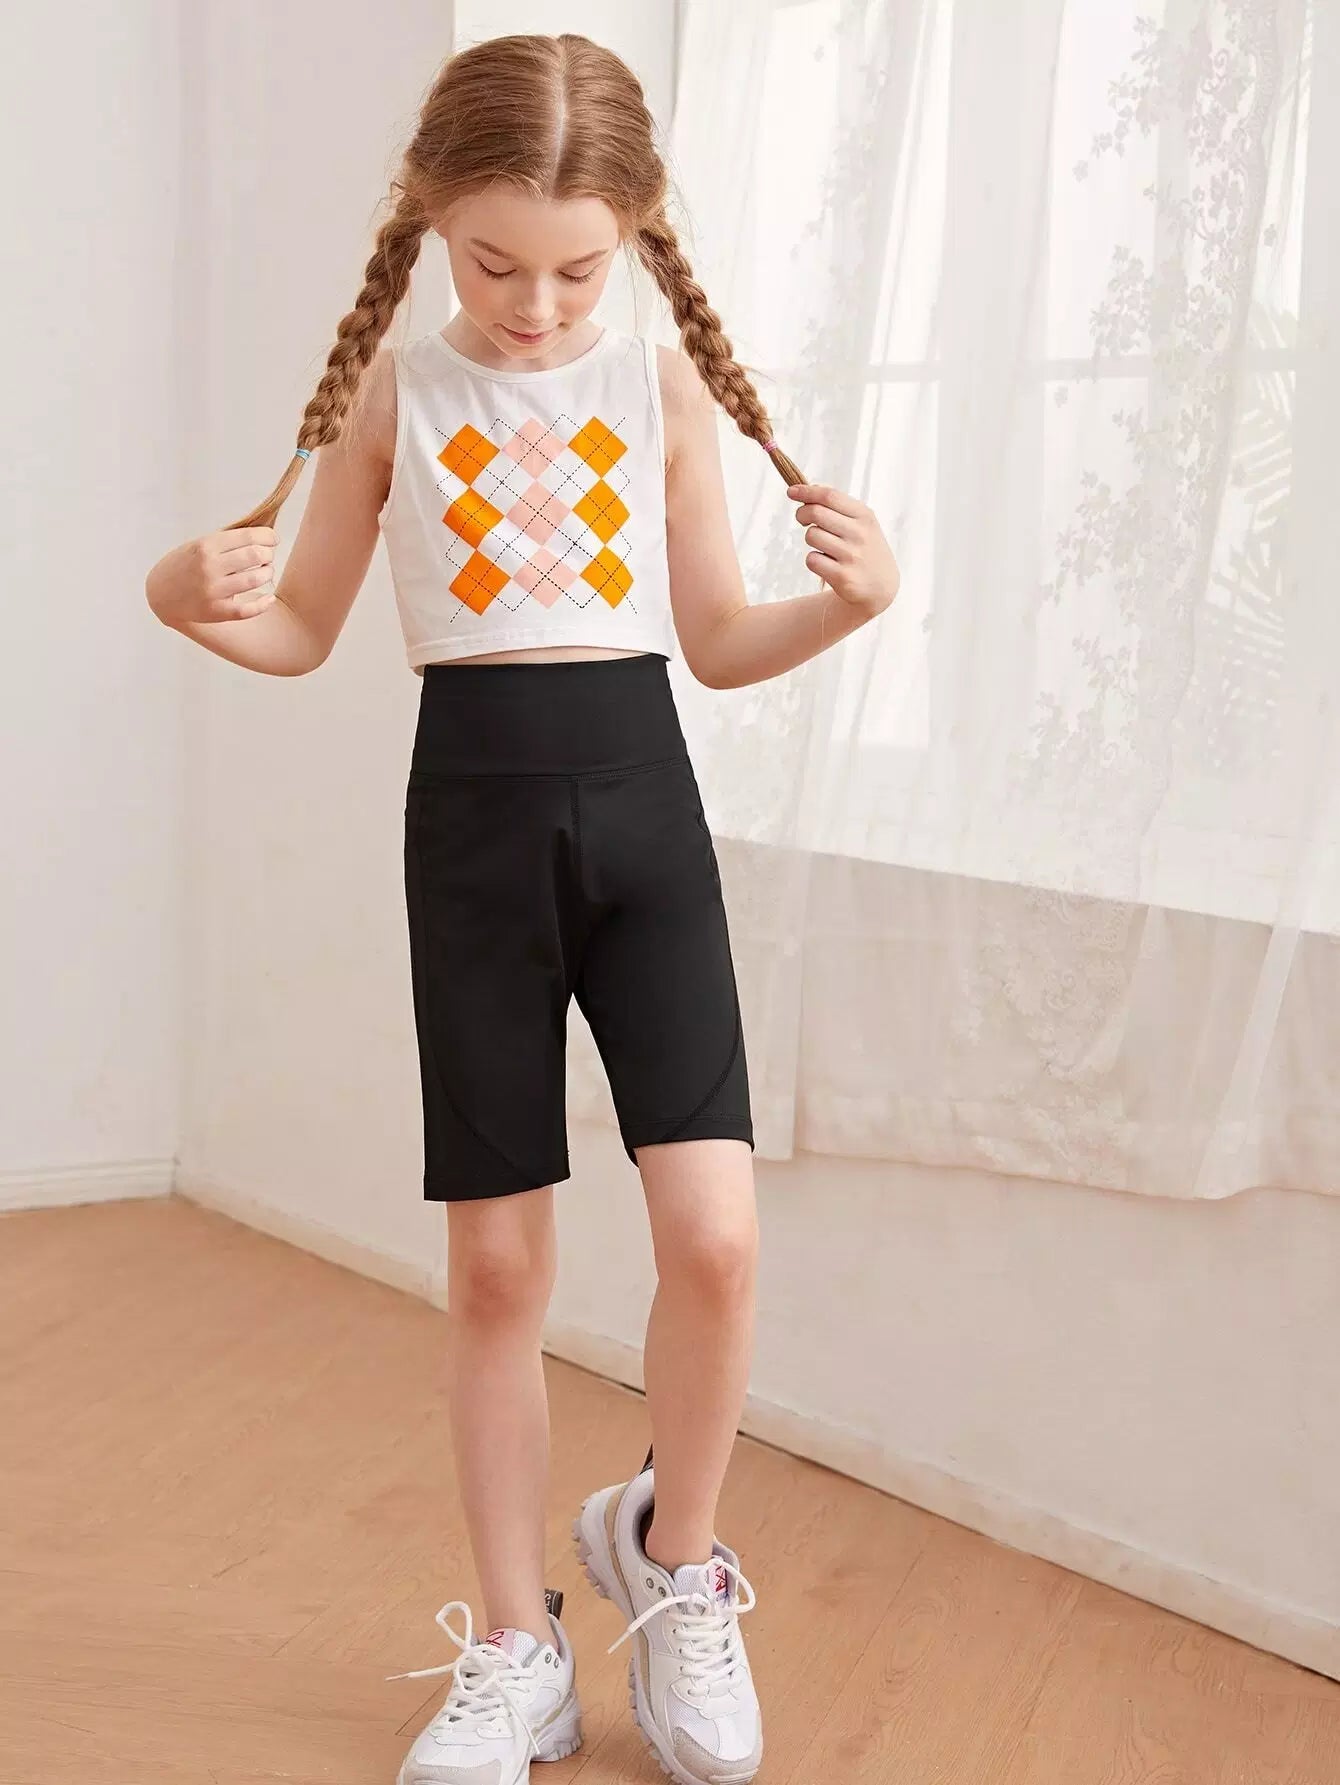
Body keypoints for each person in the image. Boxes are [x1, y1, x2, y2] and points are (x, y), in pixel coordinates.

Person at [144, 31, 898, 1785]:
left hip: (650, 831)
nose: (539, 308)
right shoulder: (397, 400)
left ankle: (672, 1553)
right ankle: (514, 1641)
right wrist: (183, 595)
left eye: (578, 269)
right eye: (495, 266)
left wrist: (846, 610)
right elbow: (301, 628)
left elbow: (718, 638)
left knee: (716, 1239)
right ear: (430, 222)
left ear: (634, 236)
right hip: (472, 842)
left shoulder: (662, 392)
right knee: (496, 1265)